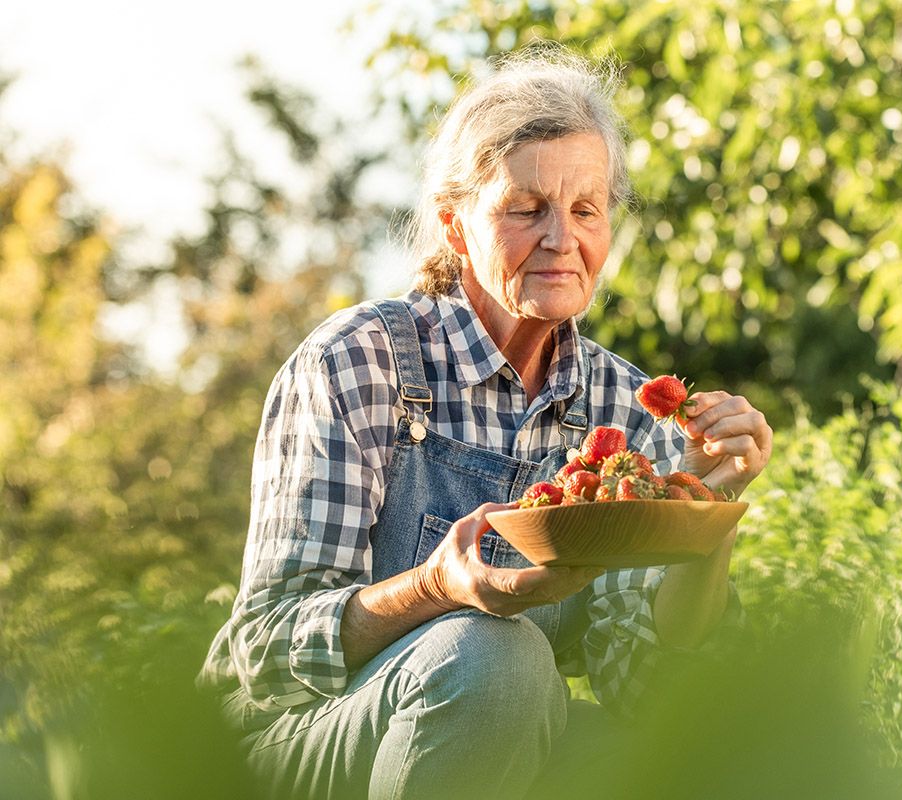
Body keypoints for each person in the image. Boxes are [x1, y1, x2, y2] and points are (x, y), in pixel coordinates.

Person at [198, 46, 773, 800]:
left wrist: (708, 512)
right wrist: (437, 588)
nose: (561, 239)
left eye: (585, 209)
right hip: (293, 744)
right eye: (526, 209)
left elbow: (648, 688)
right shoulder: (359, 363)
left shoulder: (625, 409)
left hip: (493, 739)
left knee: (690, 757)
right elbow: (265, 650)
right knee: (498, 661)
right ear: (456, 227)